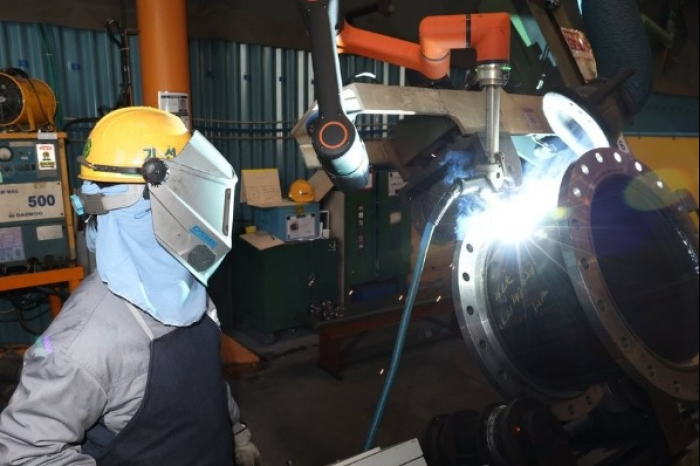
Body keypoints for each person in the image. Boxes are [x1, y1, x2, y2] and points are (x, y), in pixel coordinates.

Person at [0, 107, 261, 466]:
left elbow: (206, 386)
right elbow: (24, 454)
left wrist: (236, 437)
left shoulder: (188, 288)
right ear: (154, 197)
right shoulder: (81, 343)